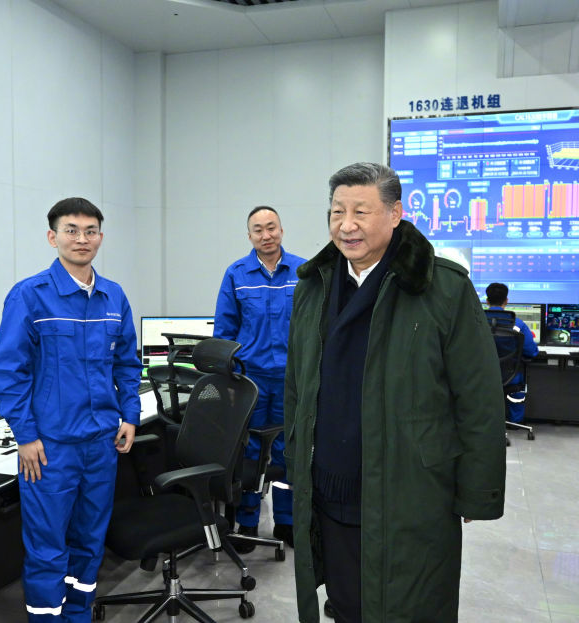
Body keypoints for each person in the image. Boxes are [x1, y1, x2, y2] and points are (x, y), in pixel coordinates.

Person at [284, 163, 506, 622]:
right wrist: (295, 459)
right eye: (337, 212)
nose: (347, 225)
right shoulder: (313, 287)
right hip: (331, 488)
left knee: (410, 605)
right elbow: (296, 388)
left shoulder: (442, 287)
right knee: (346, 603)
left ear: (395, 213)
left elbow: (478, 397)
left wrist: (476, 489)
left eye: (361, 212)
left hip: (410, 490)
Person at [0, 197, 142, 622]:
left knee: (90, 542)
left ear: (100, 238)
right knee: (47, 547)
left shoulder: (114, 297)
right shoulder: (30, 296)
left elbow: (127, 363)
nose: (81, 239)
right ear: (52, 237)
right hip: (50, 448)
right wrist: (25, 436)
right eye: (71, 230)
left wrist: (129, 415)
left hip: (101, 443)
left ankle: (77, 614)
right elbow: (8, 373)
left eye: (90, 231)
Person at [213, 205, 305, 550]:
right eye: (258, 230)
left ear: (281, 230)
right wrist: (228, 378)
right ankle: (248, 522)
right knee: (249, 451)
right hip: (249, 381)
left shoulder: (303, 272)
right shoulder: (236, 274)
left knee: (287, 451)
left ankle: (287, 522)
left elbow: (315, 326)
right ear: (249, 235)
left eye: (271, 227)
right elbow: (225, 332)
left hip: (290, 380)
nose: (266, 235)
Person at [485, 282, 539, 423]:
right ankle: (514, 422)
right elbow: (531, 352)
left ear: (487, 301)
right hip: (510, 375)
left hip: (481, 374)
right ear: (506, 301)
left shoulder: (476, 323)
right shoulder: (518, 324)